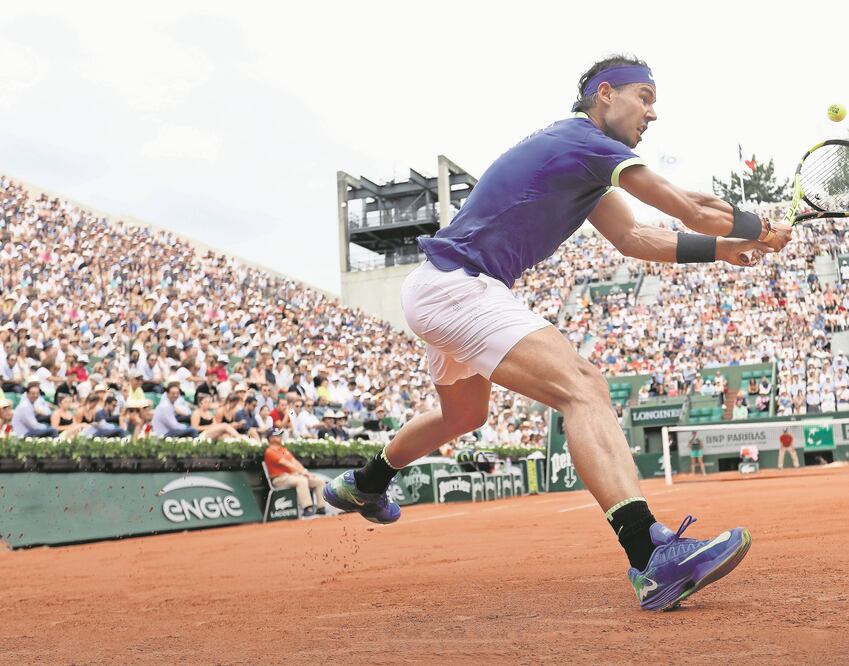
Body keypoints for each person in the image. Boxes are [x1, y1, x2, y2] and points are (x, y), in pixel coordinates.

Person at [323, 55, 790, 610]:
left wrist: (725, 248)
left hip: (442, 287)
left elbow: (634, 238)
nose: (653, 113)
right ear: (606, 93)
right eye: (644, 98)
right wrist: (760, 228)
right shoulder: (584, 142)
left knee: (464, 416)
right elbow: (691, 208)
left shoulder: (582, 159)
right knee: (583, 388)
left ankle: (366, 482)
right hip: (458, 287)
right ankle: (649, 556)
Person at [264, 429, 327, 517]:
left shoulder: (283, 449)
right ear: (271, 438)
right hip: (279, 479)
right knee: (302, 481)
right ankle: (307, 508)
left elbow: (294, 462)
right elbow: (286, 464)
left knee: (319, 481)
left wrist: (305, 472)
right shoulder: (269, 451)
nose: (280, 437)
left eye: (280, 435)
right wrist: (303, 473)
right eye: (277, 435)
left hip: (292, 476)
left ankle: (321, 508)